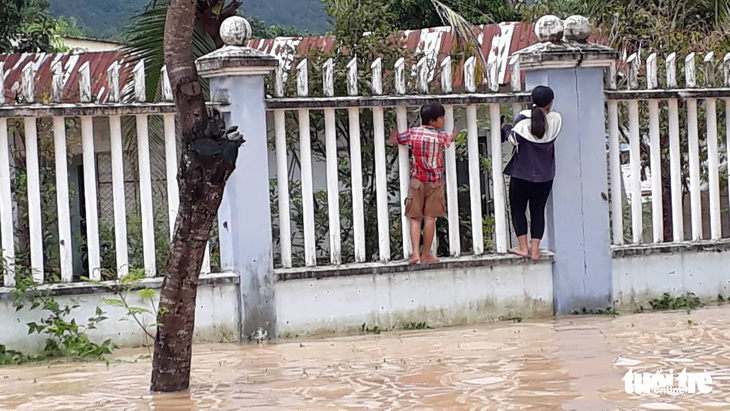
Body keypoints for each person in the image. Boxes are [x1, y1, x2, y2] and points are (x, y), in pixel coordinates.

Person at [389, 102, 458, 265]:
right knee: (430, 218)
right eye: (441, 118)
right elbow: (450, 139)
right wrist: (455, 132)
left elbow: (394, 139)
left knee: (414, 218)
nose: (443, 120)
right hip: (434, 182)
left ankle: (414, 253)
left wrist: (396, 128)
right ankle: (426, 253)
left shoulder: (413, 134)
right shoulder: (440, 137)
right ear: (434, 121)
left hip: (417, 181)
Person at [501, 85, 562, 261]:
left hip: (521, 174)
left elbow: (512, 139)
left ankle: (522, 247)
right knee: (537, 211)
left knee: (518, 210)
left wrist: (505, 127)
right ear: (550, 103)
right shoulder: (556, 120)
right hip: (545, 176)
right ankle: (535, 250)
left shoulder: (522, 121)